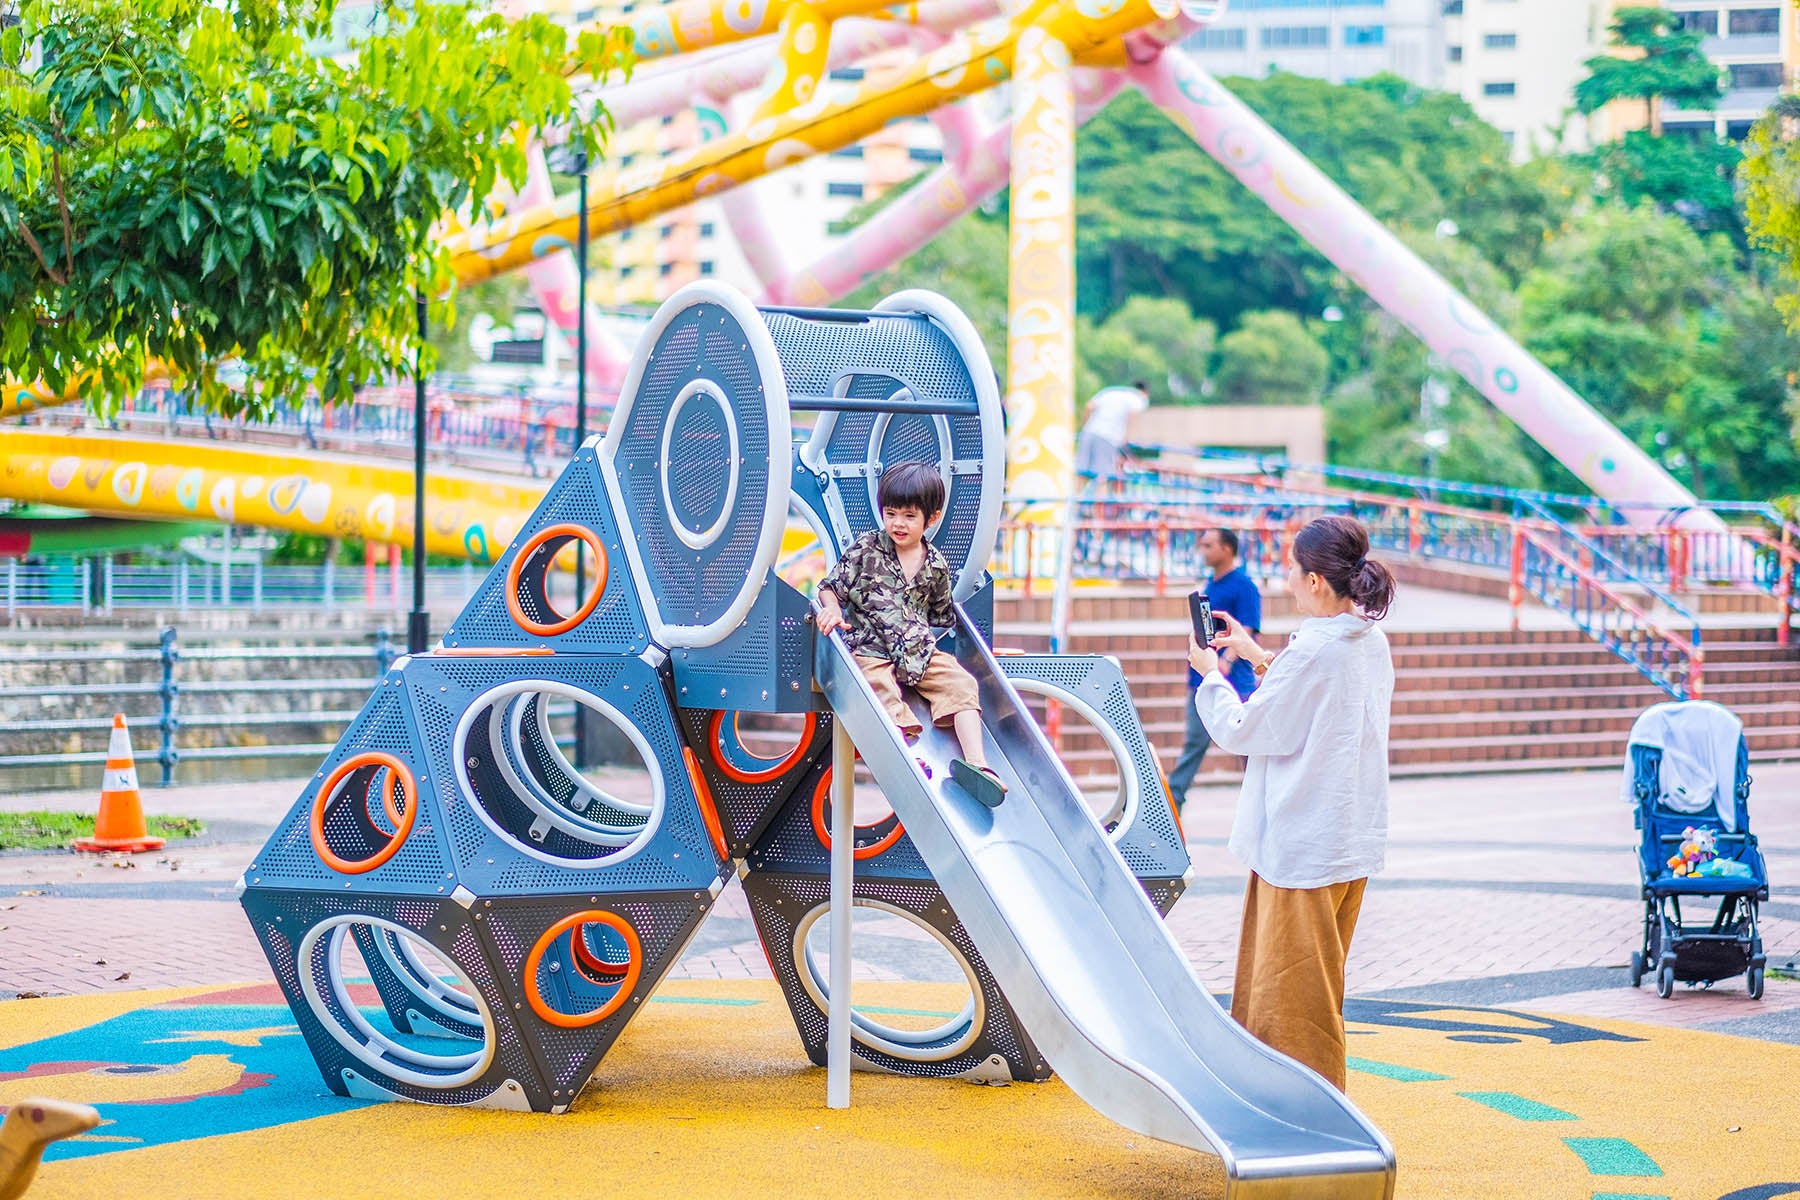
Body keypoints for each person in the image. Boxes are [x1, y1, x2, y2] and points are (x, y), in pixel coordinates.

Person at [1186, 515, 1396, 1092]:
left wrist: (1211, 674)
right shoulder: (1368, 641)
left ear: (1315, 583)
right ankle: (1279, 1098)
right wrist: (1255, 653)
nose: (1284, 580)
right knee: (1308, 985)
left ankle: (1309, 1114)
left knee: (1294, 1001)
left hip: (1302, 844)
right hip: (1349, 837)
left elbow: (1244, 728)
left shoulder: (1314, 653)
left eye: (1291, 570)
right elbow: (1318, 697)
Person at [816, 462, 1007, 803]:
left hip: (918, 652)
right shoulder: (868, 549)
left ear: (931, 518)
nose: (897, 524)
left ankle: (977, 763)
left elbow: (940, 616)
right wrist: (831, 608)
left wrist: (985, 654)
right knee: (880, 691)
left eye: (908, 516)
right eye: (891, 514)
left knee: (962, 683)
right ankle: (909, 757)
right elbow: (831, 587)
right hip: (870, 648)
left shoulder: (935, 566)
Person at [1168, 528, 1261, 807]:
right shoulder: (1212, 584)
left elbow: (1247, 627)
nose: (1203, 551)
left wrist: (1226, 661)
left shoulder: (1244, 586)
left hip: (1235, 680)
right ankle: (1173, 800)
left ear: (1227, 549)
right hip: (1202, 677)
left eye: (1209, 545)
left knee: (1248, 746)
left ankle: (1261, 799)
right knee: (1195, 742)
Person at [1075, 380, 1150, 485]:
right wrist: (1127, 438)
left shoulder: (1110, 392)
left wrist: (1084, 428)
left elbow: (1089, 406)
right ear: (1145, 392)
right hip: (1108, 437)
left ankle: (1074, 500)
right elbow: (1132, 416)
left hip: (1089, 433)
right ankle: (1101, 501)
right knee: (1103, 476)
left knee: (1082, 472)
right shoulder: (1138, 398)